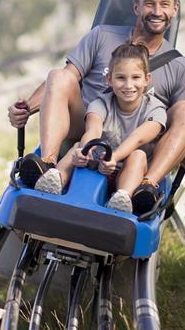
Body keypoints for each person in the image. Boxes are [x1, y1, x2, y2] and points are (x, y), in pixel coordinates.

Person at [8, 0, 185, 213]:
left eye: (164, 4)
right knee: (58, 76)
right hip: (87, 128)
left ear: (174, 10)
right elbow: (64, 79)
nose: (156, 11)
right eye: (149, 4)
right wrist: (26, 109)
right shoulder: (101, 36)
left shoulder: (180, 67)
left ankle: (146, 188)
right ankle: (47, 165)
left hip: (137, 150)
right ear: (136, 7)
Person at [34, 42, 167, 213]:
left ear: (146, 80)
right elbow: (93, 129)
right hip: (97, 165)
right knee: (77, 147)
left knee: (138, 155)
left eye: (135, 78)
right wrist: (85, 150)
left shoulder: (156, 110)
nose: (128, 85)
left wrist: (115, 158)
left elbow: (138, 138)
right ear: (109, 79)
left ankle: (123, 197)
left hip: (126, 172)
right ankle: (55, 179)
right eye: (121, 78)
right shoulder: (100, 104)